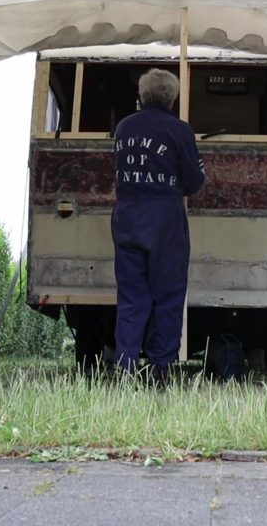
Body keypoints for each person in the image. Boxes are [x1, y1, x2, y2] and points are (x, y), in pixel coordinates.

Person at [112, 68, 205, 386]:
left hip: (126, 215)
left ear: (141, 94)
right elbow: (193, 182)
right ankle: (160, 368)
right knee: (167, 293)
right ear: (172, 98)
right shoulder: (180, 131)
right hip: (164, 217)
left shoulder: (124, 128)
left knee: (131, 295)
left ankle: (125, 366)